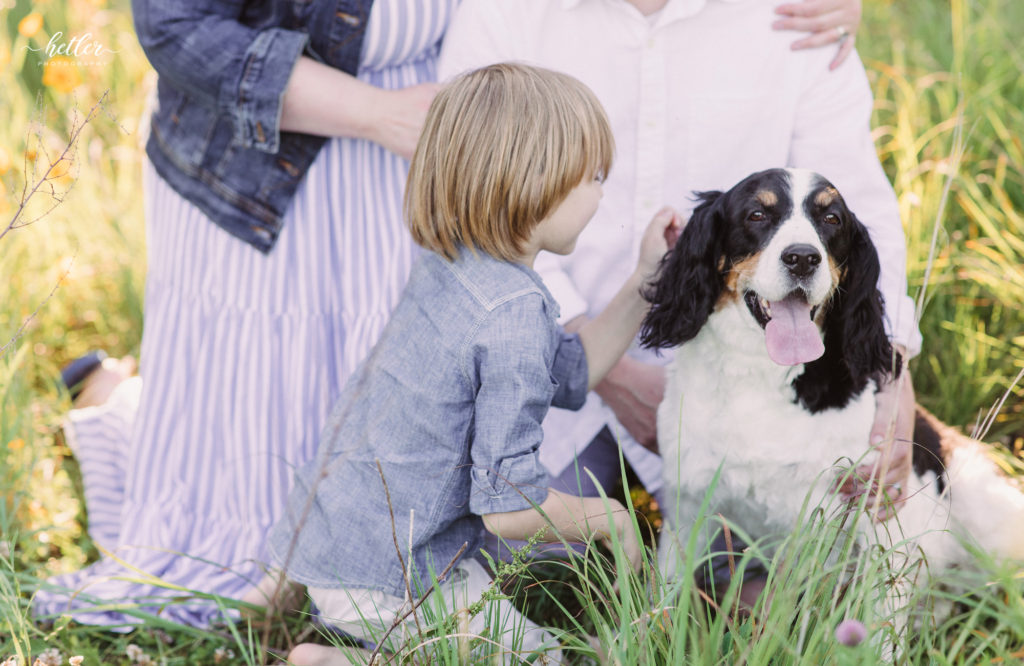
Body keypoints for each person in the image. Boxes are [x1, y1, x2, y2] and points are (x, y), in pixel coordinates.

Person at [438, 0, 919, 583]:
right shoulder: (502, 13)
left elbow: (858, 213)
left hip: (769, 389)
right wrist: (604, 373)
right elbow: (468, 208)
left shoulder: (801, 14)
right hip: (554, 388)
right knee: (505, 553)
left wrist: (889, 374)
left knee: (811, 552)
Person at [35, 0, 458, 627]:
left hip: (426, 147)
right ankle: (112, 408)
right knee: (237, 518)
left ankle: (120, 401)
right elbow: (177, 27)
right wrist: (380, 114)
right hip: (252, 159)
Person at [259, 62, 680, 666]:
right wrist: (609, 518)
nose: (600, 194)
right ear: (533, 180)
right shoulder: (511, 313)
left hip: (337, 539)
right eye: (590, 177)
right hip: (400, 574)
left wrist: (645, 279)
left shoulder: (456, 261)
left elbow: (574, 374)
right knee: (537, 662)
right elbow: (507, 508)